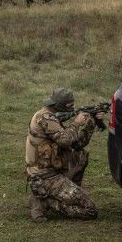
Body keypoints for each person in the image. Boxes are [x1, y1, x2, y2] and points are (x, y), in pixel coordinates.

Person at [25, 88, 99, 221]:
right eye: (70, 106)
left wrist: (91, 121)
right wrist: (76, 123)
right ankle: (46, 202)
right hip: (45, 177)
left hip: (54, 173)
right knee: (91, 210)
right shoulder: (45, 117)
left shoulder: (52, 118)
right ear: (58, 105)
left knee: (80, 156)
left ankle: (58, 195)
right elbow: (65, 141)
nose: (72, 109)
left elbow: (77, 145)